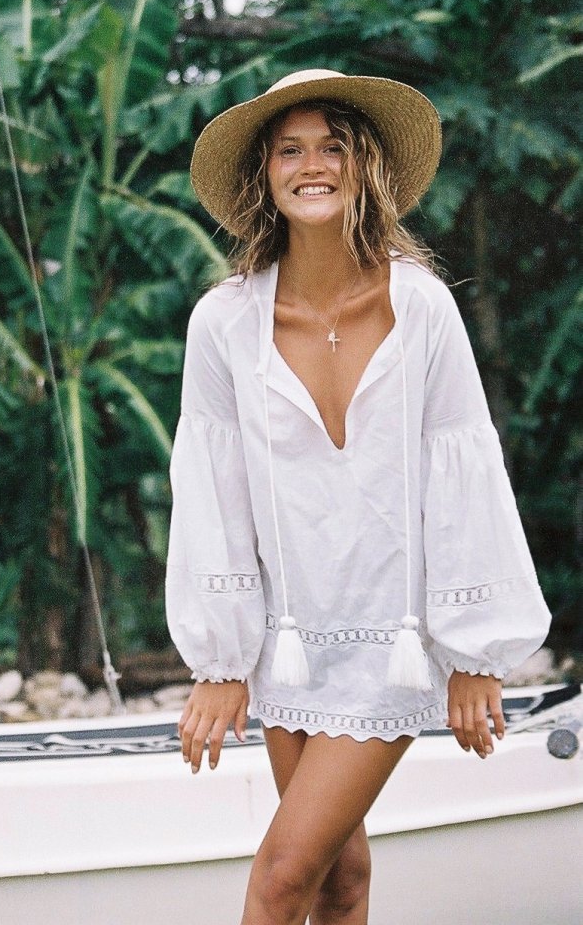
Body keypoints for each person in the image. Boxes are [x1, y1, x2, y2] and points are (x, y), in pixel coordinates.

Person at [165, 68, 551, 925]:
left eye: (333, 147)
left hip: (392, 642)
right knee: (339, 881)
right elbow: (212, 491)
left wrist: (474, 652)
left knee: (280, 878)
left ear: (363, 166)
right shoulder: (223, 323)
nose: (313, 165)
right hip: (285, 643)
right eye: (290, 150)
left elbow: (463, 471)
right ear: (265, 174)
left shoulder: (422, 308)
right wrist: (221, 661)